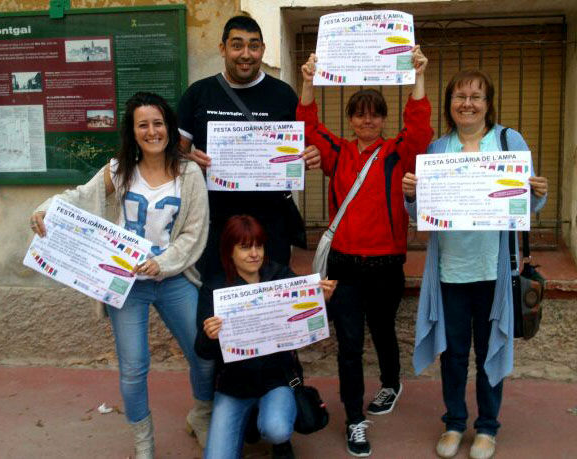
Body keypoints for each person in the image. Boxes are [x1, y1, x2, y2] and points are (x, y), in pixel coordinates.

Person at [29, 92, 215, 458]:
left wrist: (164, 263)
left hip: (173, 278)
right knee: (133, 366)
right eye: (142, 124)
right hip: (125, 283)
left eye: (158, 123)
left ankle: (202, 415)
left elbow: (195, 231)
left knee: (204, 353)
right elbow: (81, 197)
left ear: (169, 126)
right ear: (133, 131)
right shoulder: (119, 170)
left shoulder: (189, 173)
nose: (152, 131)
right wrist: (46, 207)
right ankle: (143, 441)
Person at [403, 69, 548, 459]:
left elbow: (527, 206)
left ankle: (487, 427)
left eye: (476, 96)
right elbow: (419, 214)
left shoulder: (507, 140)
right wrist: (412, 195)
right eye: (459, 96)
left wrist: (538, 192)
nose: (467, 103)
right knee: (452, 354)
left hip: (494, 270)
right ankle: (453, 423)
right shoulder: (436, 150)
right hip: (449, 270)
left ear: (488, 103)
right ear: (450, 103)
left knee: (489, 351)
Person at [296, 47, 433, 457]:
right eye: (359, 113)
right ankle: (355, 419)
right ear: (351, 119)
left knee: (383, 329)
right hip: (343, 265)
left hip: (386, 264)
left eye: (375, 113)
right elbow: (307, 126)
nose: (367, 119)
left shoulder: (398, 153)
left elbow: (420, 128)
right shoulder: (336, 154)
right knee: (350, 344)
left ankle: (391, 382)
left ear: (383, 119)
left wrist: (418, 76)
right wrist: (308, 80)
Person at [177, 15, 321, 281]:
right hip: (216, 220)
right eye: (237, 45)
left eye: (253, 46)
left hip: (271, 222)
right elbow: (173, 155)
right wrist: (187, 160)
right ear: (223, 49)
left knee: (271, 295)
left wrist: (311, 154)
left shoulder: (283, 94)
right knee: (218, 294)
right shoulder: (198, 94)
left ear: (263, 50)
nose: (246, 54)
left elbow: (304, 147)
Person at [195, 215, 336, 459]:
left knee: (277, 429)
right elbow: (202, 351)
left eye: (258, 246)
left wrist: (323, 302)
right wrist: (210, 335)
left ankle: (276, 437)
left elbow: (311, 323)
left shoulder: (280, 276)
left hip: (276, 379)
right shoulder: (215, 288)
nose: (254, 254)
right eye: (244, 247)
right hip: (233, 387)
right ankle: (250, 419)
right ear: (229, 251)